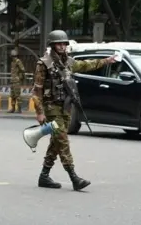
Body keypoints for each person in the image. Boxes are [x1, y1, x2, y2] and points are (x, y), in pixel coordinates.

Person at [32, 30, 118, 191]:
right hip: (51, 108)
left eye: (64, 43)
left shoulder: (69, 62)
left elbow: (87, 64)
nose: (62, 46)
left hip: (65, 106)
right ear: (52, 45)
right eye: (59, 43)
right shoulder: (44, 64)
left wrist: (107, 61)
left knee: (57, 141)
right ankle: (74, 177)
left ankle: (44, 176)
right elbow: (36, 91)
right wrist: (39, 112)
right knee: (62, 139)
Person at [8, 49, 25, 113]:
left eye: (13, 56)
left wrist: (19, 77)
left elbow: (23, 70)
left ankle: (19, 109)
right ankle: (13, 108)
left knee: (17, 95)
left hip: (17, 81)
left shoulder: (18, 61)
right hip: (13, 81)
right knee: (12, 95)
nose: (13, 57)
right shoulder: (13, 62)